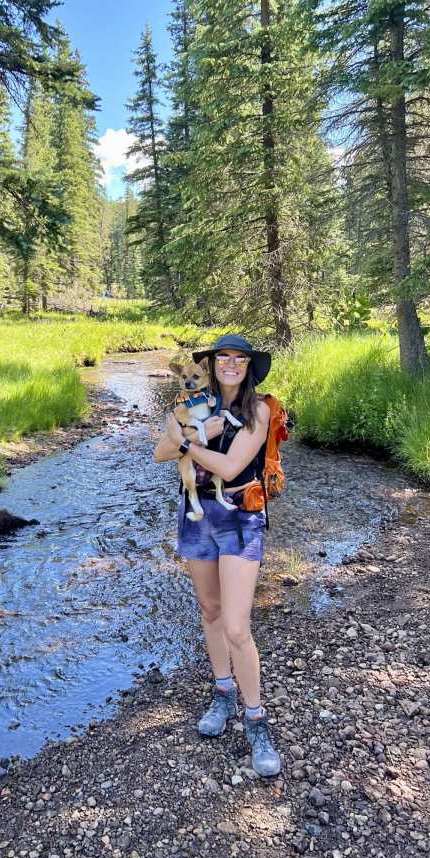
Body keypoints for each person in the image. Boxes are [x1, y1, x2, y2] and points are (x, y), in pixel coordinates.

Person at [153, 333, 282, 778]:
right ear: (209, 365)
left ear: (248, 365)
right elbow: (158, 452)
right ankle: (223, 692)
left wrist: (190, 440)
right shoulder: (195, 403)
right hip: (196, 513)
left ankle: (256, 719)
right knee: (209, 610)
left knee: (236, 626)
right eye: (222, 357)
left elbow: (227, 467)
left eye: (239, 358)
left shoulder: (259, 410)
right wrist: (193, 433)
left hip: (241, 516)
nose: (230, 364)